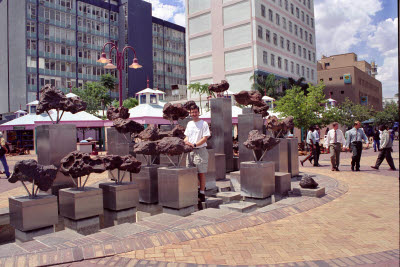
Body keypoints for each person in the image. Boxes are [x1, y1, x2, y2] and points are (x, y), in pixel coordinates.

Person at [184, 105, 211, 210]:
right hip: (190, 151)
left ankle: (202, 192)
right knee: (190, 171)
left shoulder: (204, 124)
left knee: (201, 172)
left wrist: (195, 144)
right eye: (192, 112)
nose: (194, 114)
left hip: (200, 151)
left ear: (199, 112)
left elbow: (205, 138)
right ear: (190, 113)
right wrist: (186, 141)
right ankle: (195, 190)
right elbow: (187, 136)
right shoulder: (189, 123)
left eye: (196, 112)